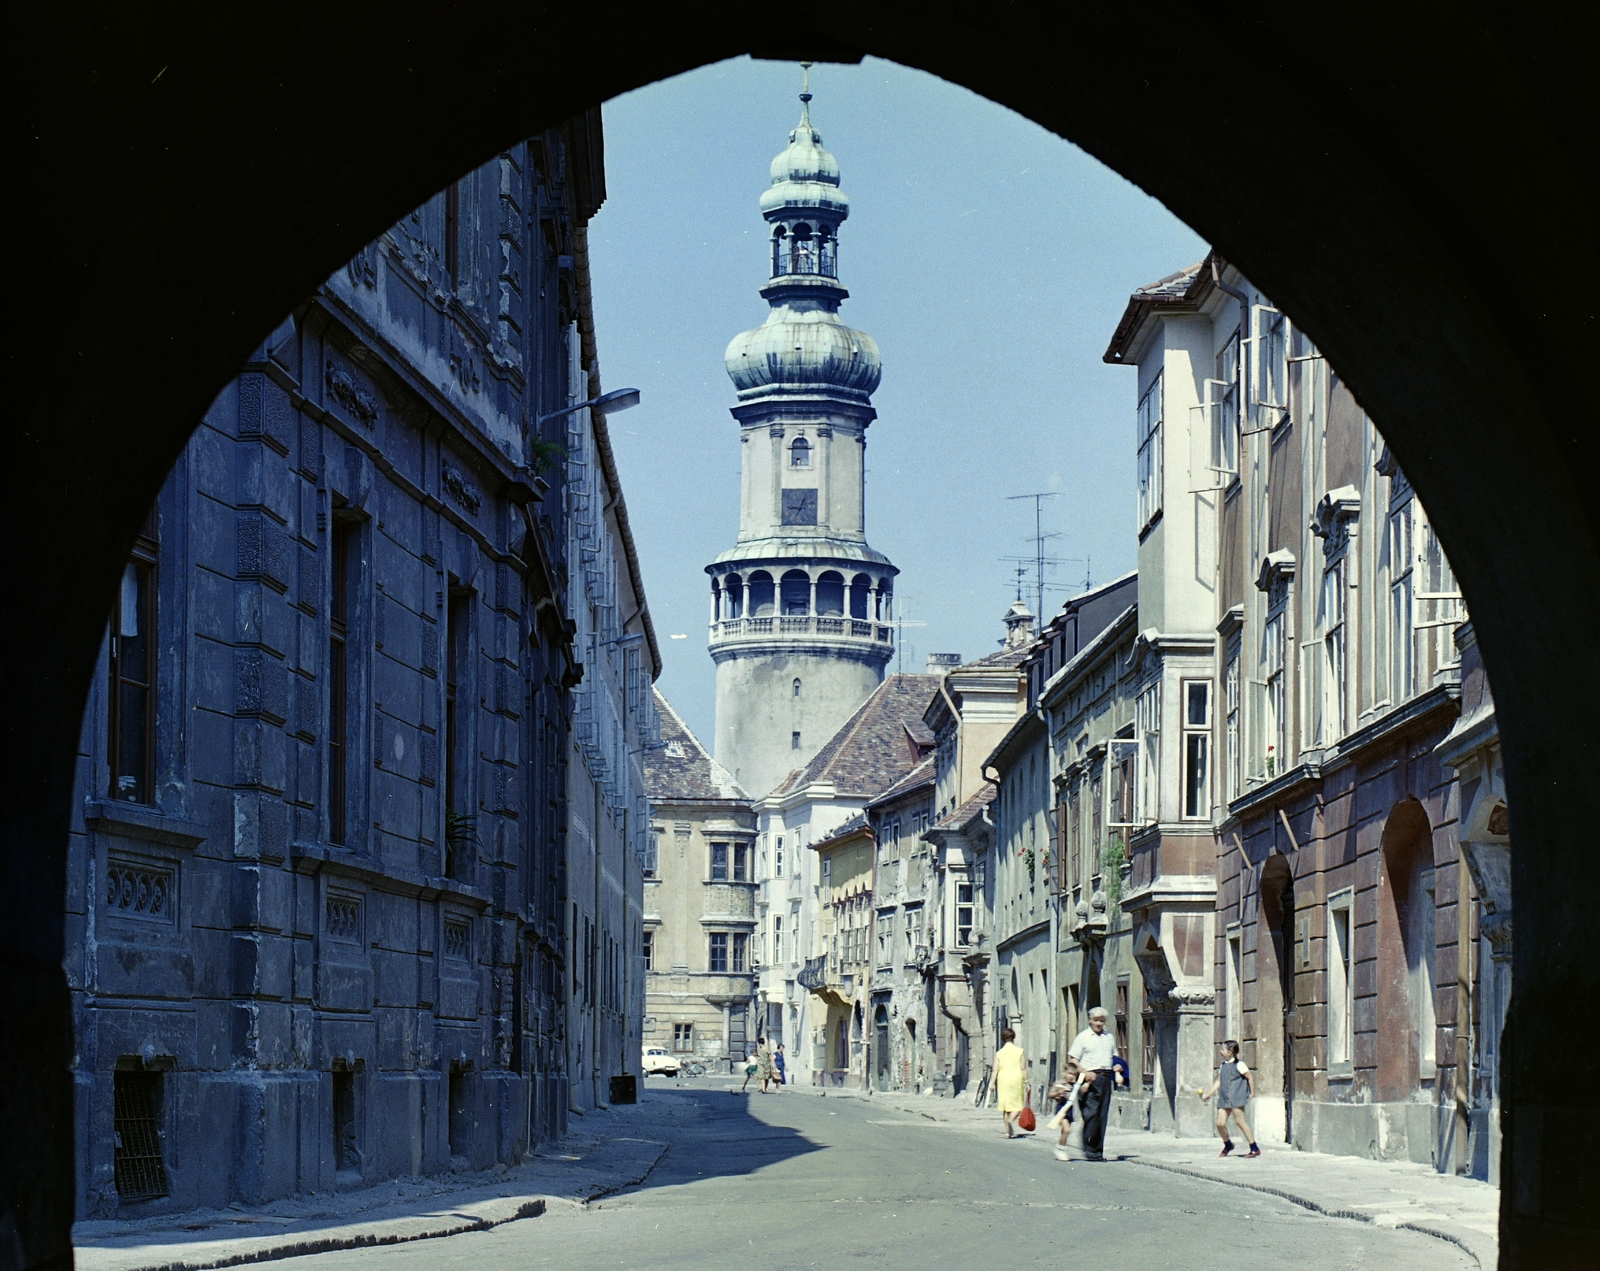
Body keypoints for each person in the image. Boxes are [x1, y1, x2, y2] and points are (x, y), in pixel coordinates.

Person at [1066, 1006, 1118, 1161]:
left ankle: (1097, 1151)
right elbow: (1073, 1058)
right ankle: (1089, 1147)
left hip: (1105, 1077)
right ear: (1090, 1020)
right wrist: (1084, 1072)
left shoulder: (1109, 1037)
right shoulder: (1083, 1037)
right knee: (1091, 1114)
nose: (1099, 1023)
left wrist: (1117, 1066)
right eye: (1096, 1020)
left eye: (1102, 1021)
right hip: (1088, 1079)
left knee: (1102, 1115)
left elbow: (1114, 1056)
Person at [1200, 1040, 1260, 1157]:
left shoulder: (1240, 1065)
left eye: (1223, 1049)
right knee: (1220, 1123)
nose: (1221, 1052)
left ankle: (1254, 1148)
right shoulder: (1223, 1066)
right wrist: (1208, 1094)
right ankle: (1228, 1144)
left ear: (1230, 1052)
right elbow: (1218, 1081)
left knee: (1240, 1122)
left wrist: (1252, 1093)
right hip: (1224, 1098)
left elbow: (1249, 1077)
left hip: (1237, 1097)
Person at [993, 1027, 1030, 1139]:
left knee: (1005, 1107)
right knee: (1017, 1105)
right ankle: (1011, 1120)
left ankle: (1008, 1132)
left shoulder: (999, 1053)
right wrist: (1027, 1082)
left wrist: (991, 1083)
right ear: (1013, 1037)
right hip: (1016, 1079)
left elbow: (995, 1069)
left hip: (1003, 1079)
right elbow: (1023, 1068)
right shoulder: (1019, 1051)